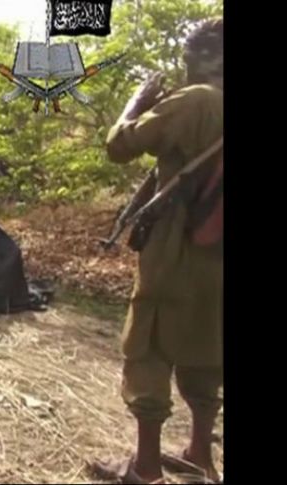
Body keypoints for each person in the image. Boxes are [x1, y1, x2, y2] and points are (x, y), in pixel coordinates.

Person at [92, 19, 224, 484]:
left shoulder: (197, 101)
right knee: (208, 344)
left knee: (148, 345)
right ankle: (199, 455)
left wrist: (136, 104)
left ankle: (145, 469)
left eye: (190, 59)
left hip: (177, 247)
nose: (185, 67)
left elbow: (120, 146)